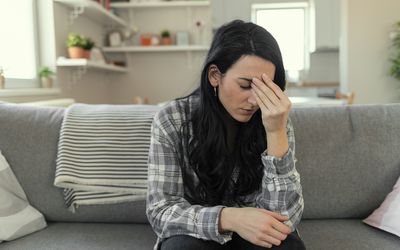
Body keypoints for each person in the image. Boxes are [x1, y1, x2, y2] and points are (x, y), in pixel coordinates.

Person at [146, 20, 305, 250]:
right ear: (214, 75)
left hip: (255, 238)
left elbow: (284, 218)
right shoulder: (173, 119)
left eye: (265, 89)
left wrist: (275, 131)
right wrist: (229, 218)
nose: (255, 101)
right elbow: (161, 211)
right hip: (197, 234)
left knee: (288, 245)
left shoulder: (274, 118)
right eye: (245, 85)